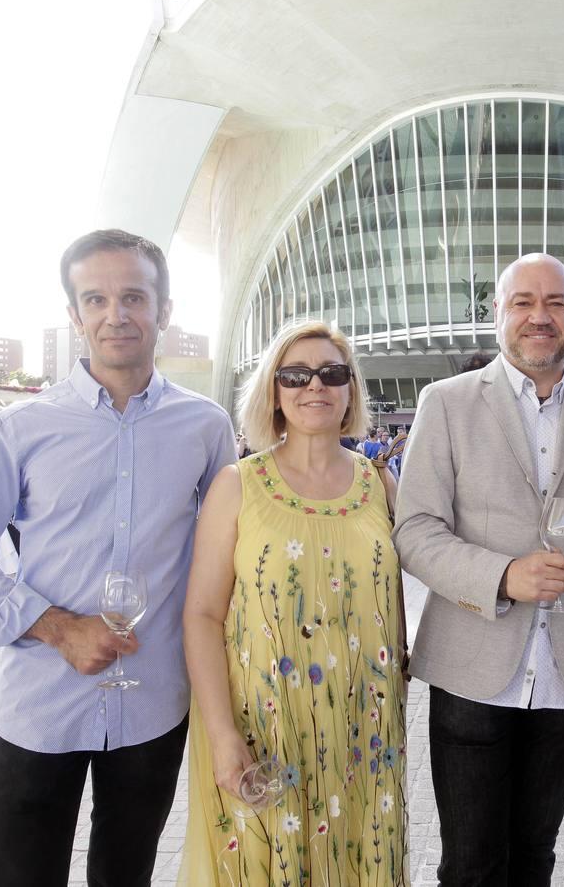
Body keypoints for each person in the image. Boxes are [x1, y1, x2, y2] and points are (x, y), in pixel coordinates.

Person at [0, 229, 237, 887]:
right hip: (41, 706)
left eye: (134, 297)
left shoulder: (206, 428)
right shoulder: (22, 430)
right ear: (74, 315)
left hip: (154, 703)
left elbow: (232, 554)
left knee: (126, 876)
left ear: (164, 309)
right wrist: (58, 627)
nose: (116, 314)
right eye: (95, 299)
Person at [393, 253, 564, 885]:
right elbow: (415, 532)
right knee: (471, 865)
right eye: (523, 302)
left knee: (535, 859)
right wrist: (503, 576)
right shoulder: (443, 403)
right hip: (472, 670)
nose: (540, 316)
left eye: (556, 303)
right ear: (497, 314)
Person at [180, 319, 408, 885]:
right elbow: (202, 616)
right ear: (273, 392)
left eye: (332, 373)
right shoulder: (239, 484)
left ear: (350, 388)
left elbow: (399, 591)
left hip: (363, 731)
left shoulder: (378, 483)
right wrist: (222, 733)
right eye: (295, 375)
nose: (315, 386)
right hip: (265, 725)